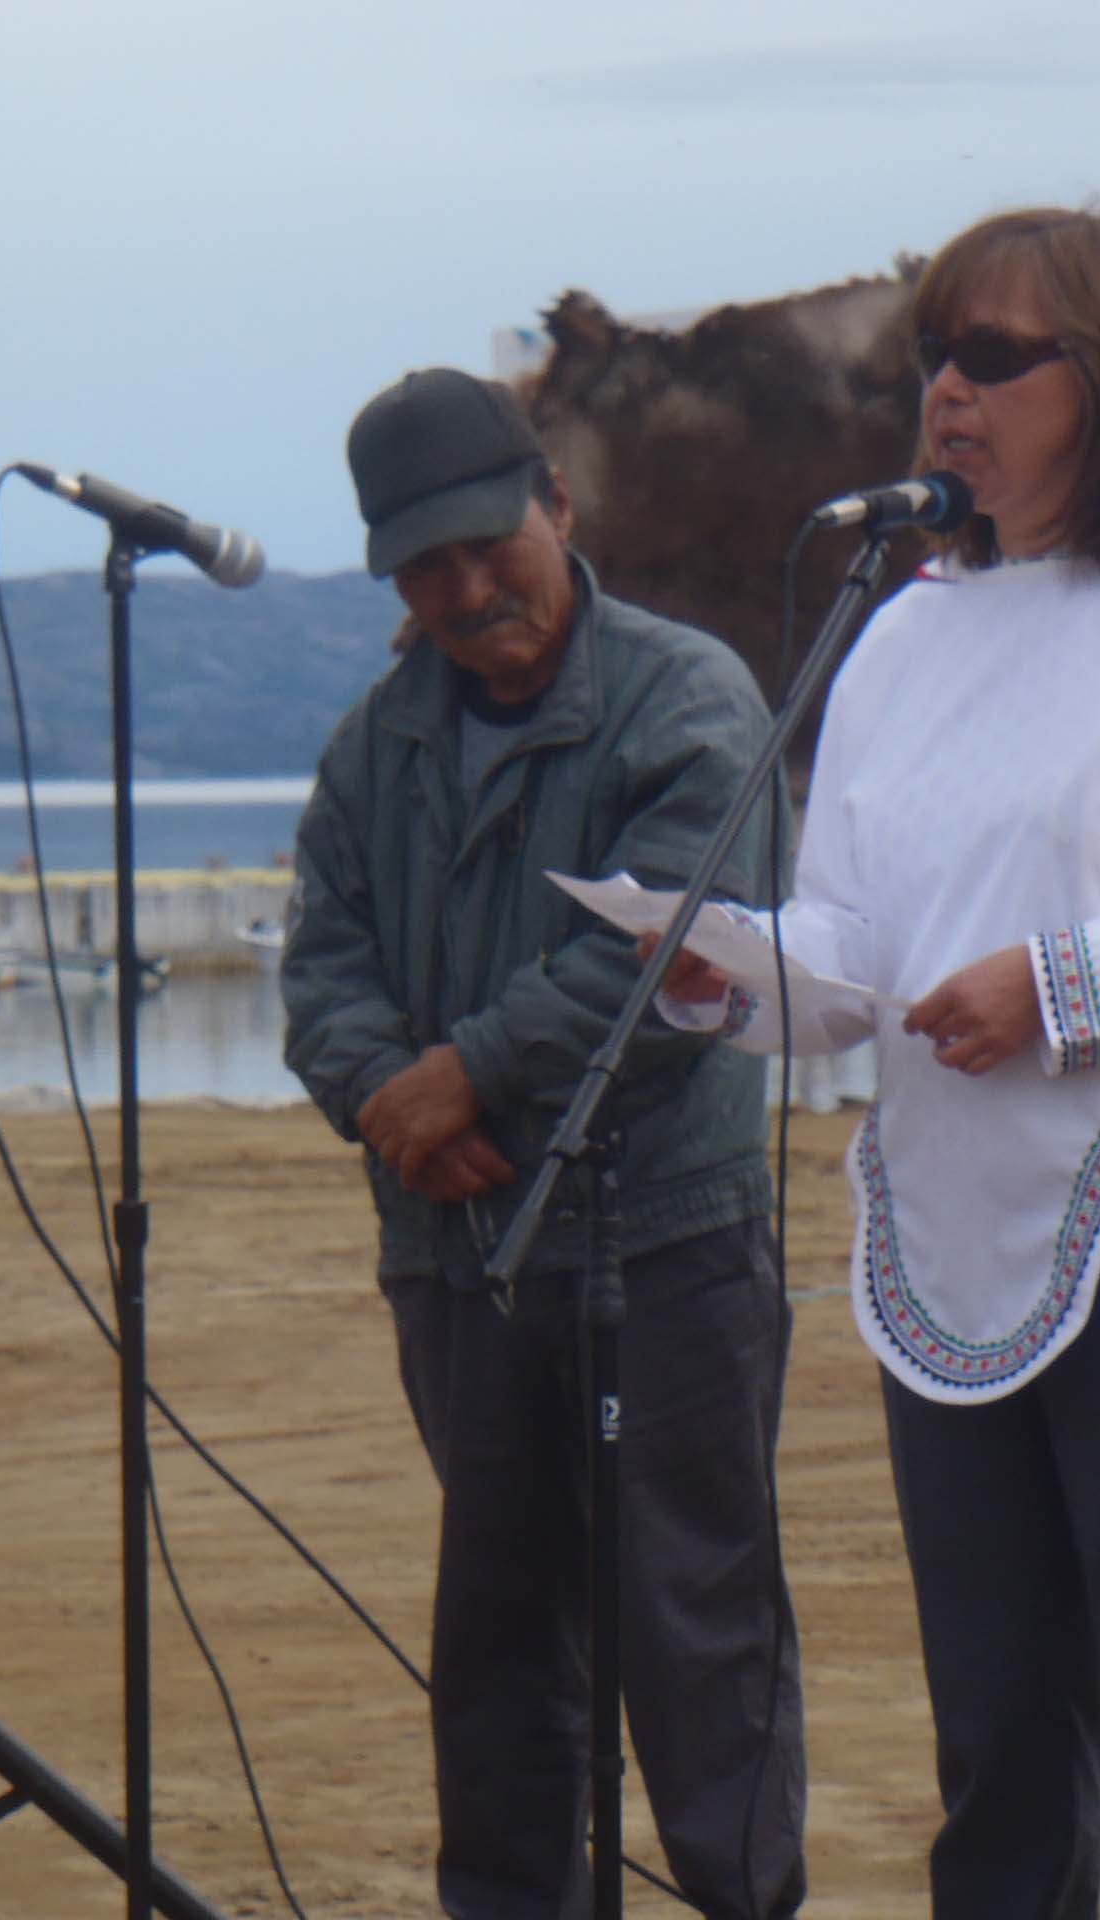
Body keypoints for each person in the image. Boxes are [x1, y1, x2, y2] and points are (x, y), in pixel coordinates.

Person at [655, 205, 1100, 1917]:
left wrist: (1057, 988)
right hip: (951, 1212)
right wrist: (719, 980)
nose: (947, 398)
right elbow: (854, 955)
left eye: (994, 358)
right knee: (994, 1736)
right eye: (933, 361)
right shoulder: (898, 631)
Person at [281, 366, 806, 1920]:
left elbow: (680, 954)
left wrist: (468, 1075)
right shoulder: (369, 752)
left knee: (699, 1635)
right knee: (499, 1650)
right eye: (423, 567)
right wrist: (398, 1105)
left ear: (557, 510)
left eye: (485, 547)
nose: (464, 589)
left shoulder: (691, 695)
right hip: (461, 1254)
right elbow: (322, 974)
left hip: (673, 1250)